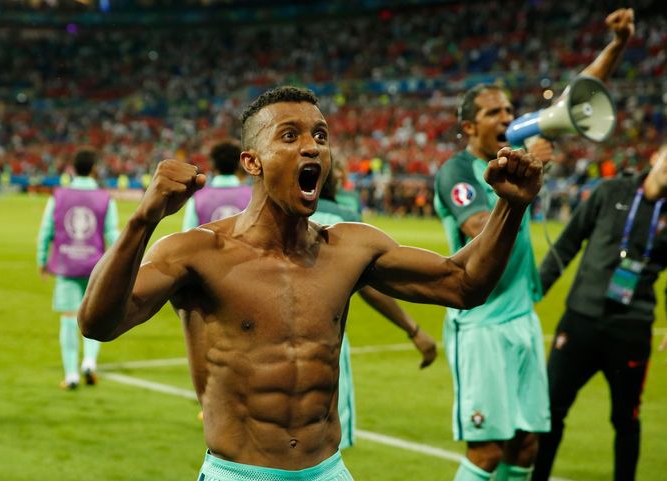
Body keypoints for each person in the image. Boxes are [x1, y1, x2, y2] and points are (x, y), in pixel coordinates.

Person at [78, 86, 542, 481]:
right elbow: (98, 322)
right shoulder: (197, 253)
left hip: (329, 471)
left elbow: (463, 285)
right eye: (290, 135)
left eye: (320, 135)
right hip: (240, 474)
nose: (313, 147)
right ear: (252, 162)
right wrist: (143, 220)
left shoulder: (351, 247)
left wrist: (511, 207)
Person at [432, 8, 634, 481]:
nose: (506, 117)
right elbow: (479, 231)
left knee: (525, 448)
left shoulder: (520, 143)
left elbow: (579, 94)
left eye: (507, 109)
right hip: (480, 322)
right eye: (492, 113)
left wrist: (618, 44)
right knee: (486, 451)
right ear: (468, 129)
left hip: (521, 318)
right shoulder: (457, 172)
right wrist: (521, 187)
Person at [533, 143, 667, 481]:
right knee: (549, 411)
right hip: (581, 319)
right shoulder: (610, 191)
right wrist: (533, 292)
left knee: (626, 419)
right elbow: (568, 241)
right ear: (655, 156)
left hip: (631, 329)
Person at [311, 158, 438, 450]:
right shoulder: (346, 219)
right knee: (323, 453)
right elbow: (369, 286)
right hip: (328, 346)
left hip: (263, 348)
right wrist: (413, 329)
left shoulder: (270, 217)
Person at [37, 147, 119, 390]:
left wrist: (42, 260)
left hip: (66, 264)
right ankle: (90, 362)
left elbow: (45, 232)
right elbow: (113, 234)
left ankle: (71, 374)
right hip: (95, 266)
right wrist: (117, 267)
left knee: (68, 319)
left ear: (73, 168)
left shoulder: (58, 196)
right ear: (94, 169)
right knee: (95, 317)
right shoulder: (105, 198)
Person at [182, 139, 252, 230]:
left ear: (213, 164)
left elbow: (188, 237)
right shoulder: (253, 196)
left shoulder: (198, 198)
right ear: (239, 164)